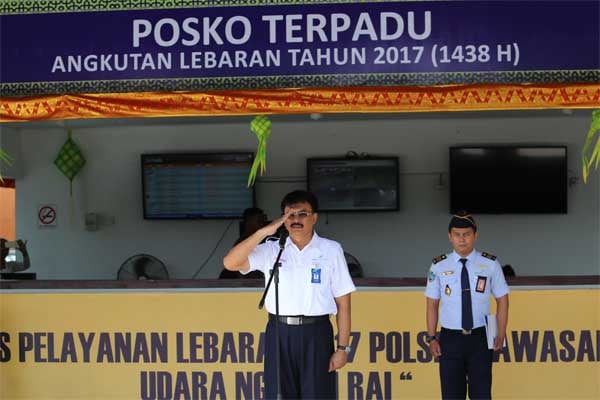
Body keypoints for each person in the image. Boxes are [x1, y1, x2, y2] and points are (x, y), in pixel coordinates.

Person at [223, 190, 356, 399]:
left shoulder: (331, 250)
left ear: (315, 217)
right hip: (279, 331)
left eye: (302, 214)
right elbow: (230, 263)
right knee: (279, 394)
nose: (296, 220)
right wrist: (263, 232)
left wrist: (343, 348)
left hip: (317, 333)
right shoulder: (271, 249)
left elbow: (344, 304)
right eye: (290, 215)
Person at [425, 211, 509, 400]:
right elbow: (432, 304)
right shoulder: (438, 266)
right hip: (450, 338)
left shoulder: (490, 264)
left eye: (467, 234)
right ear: (450, 237)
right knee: (452, 395)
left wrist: (501, 332)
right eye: (457, 234)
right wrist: (431, 337)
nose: (462, 239)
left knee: (481, 394)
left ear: (475, 235)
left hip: (480, 338)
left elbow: (503, 299)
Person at [219, 207, 268, 279]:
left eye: (263, 219)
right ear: (249, 221)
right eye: (259, 220)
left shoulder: (265, 240)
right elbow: (241, 274)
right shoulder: (243, 242)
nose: (263, 222)